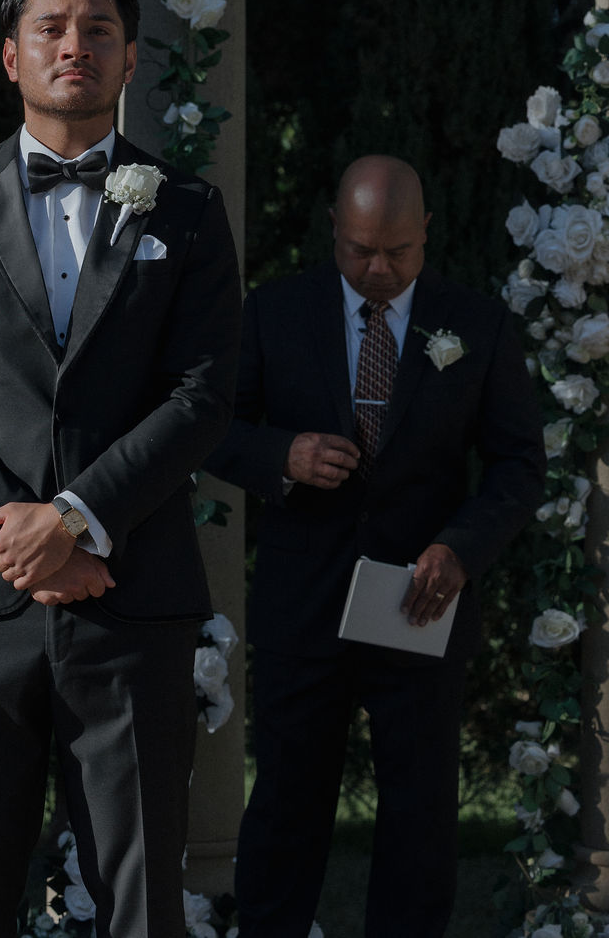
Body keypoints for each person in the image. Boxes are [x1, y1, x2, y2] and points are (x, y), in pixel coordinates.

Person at [0, 0, 241, 937]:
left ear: (128, 63)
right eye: (51, 27)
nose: (73, 44)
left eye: (98, 30)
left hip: (129, 600)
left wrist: (79, 520)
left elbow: (203, 394)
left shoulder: (190, 212)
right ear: (10, 57)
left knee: (138, 901)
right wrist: (21, 537)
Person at [205, 155, 545, 938]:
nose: (380, 268)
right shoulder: (274, 313)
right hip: (303, 603)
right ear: (334, 229)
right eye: (361, 250)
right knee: (287, 800)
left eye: (398, 251)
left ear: (426, 232)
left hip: (421, 605)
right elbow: (215, 428)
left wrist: (459, 550)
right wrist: (280, 456)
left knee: (420, 813)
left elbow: (520, 463)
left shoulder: (479, 324)